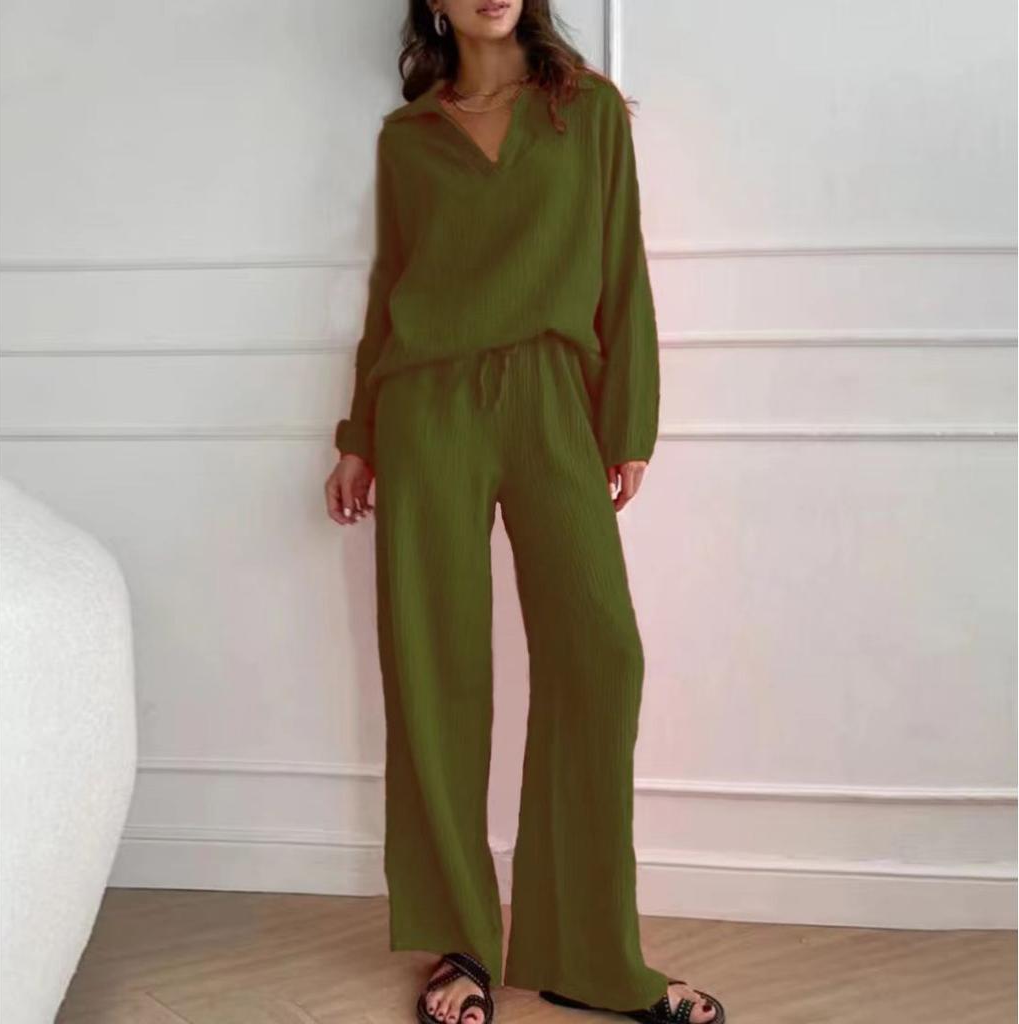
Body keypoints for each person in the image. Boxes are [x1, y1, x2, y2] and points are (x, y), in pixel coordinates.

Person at [324, 3, 725, 1023]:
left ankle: (586, 951)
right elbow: (388, 287)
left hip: (553, 396)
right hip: (428, 406)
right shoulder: (409, 138)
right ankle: (460, 942)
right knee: (436, 669)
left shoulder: (584, 112)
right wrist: (359, 434)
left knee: (601, 654)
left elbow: (621, 266)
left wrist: (627, 419)